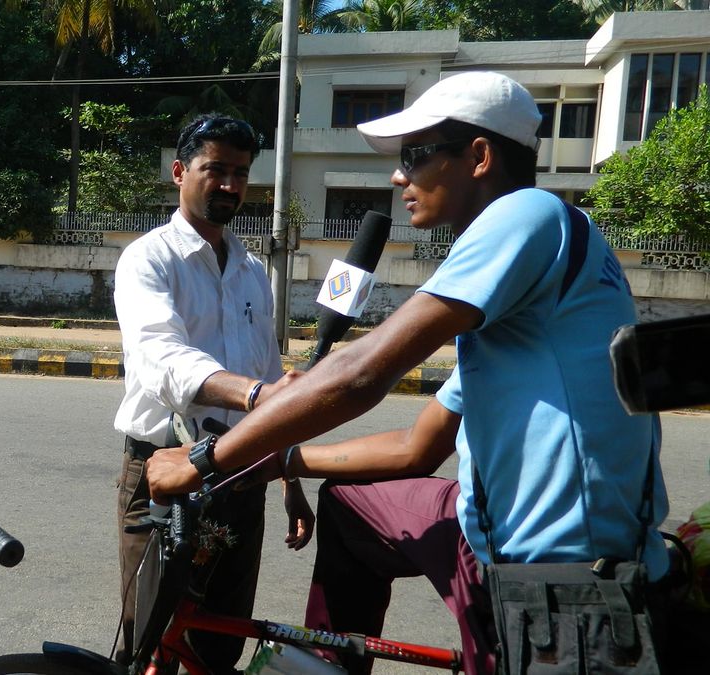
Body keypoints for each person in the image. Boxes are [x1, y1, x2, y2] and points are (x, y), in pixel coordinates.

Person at [144, 72, 671, 675]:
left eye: (416, 156)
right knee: (350, 509)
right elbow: (416, 447)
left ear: (479, 157)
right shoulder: (525, 294)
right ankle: (329, 668)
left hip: (568, 582)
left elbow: (359, 373)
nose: (399, 177)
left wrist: (207, 459)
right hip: (503, 540)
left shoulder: (526, 215)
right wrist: (280, 462)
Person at [112, 113, 312, 672]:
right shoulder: (149, 259)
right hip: (164, 475)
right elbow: (163, 361)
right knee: (149, 643)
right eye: (215, 170)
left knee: (220, 643)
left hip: (243, 476)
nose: (230, 185)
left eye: (241, 174)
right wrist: (254, 397)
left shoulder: (251, 270)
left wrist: (289, 480)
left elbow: (269, 370)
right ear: (180, 172)